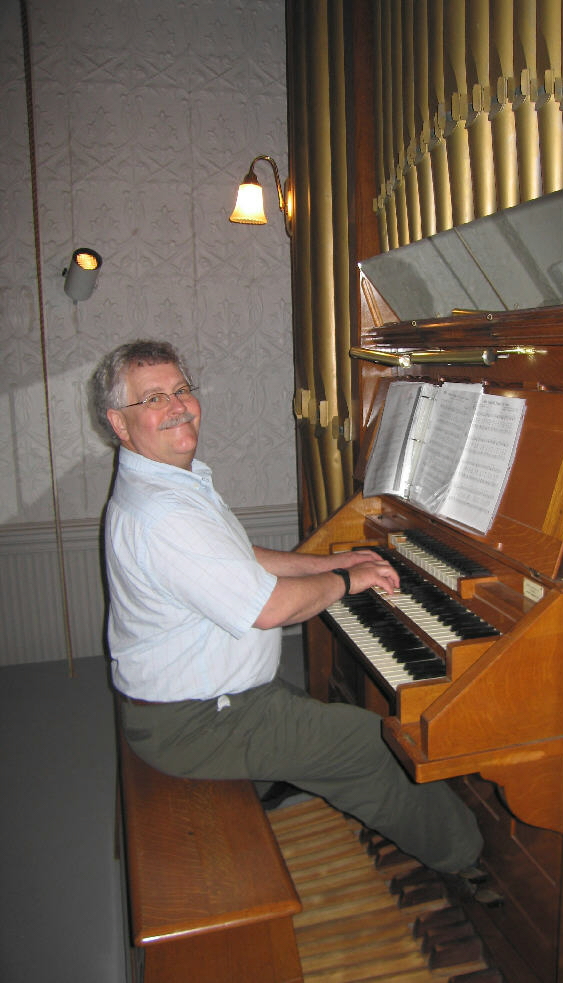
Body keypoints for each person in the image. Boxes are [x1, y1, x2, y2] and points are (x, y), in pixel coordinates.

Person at [92, 339, 486, 884]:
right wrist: (348, 579)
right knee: (368, 743)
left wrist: (326, 561)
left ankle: (280, 783)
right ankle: (472, 861)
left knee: (314, 715)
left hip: (206, 700)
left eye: (181, 389)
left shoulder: (164, 480)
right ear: (119, 422)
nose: (178, 406)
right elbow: (271, 609)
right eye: (153, 398)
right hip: (194, 722)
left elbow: (235, 560)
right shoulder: (164, 513)